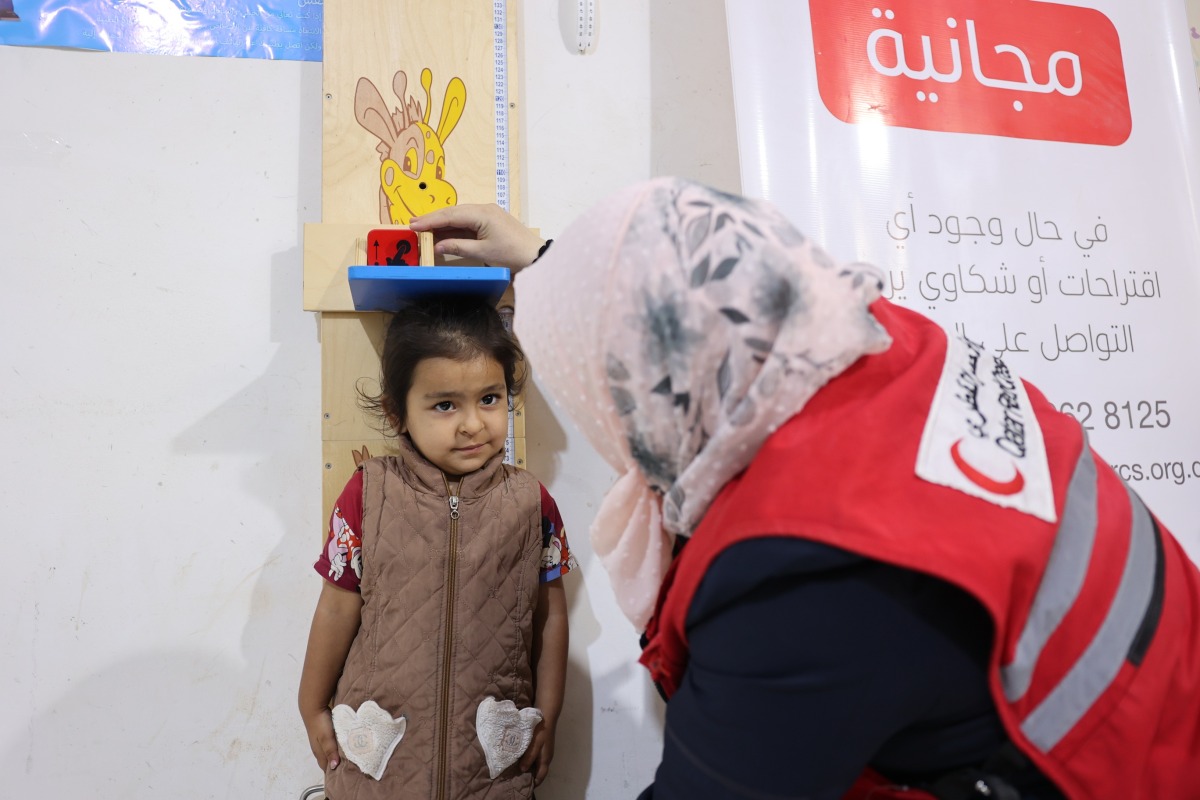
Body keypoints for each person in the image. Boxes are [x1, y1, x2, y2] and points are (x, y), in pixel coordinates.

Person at [411, 181, 1200, 799]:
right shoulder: (866, 334)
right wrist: (553, 265)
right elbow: (692, 292)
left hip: (1122, 768)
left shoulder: (798, 576)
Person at [298, 294, 577, 799]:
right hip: (380, 763)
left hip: (492, 764)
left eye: (489, 399)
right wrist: (311, 705)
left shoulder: (531, 502)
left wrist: (550, 715)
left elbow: (550, 617)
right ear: (397, 412)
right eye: (445, 404)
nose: (473, 423)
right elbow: (337, 608)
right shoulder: (368, 493)